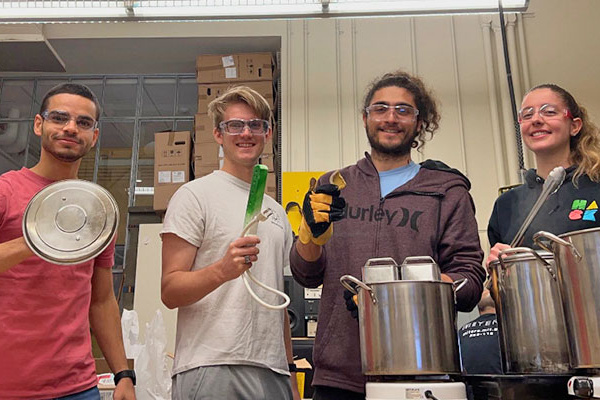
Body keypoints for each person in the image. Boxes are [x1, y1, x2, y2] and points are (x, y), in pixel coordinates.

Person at [290, 70, 486, 399]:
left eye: (403, 109)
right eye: (380, 108)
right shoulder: (334, 185)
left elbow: (469, 278)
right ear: (365, 118)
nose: (390, 118)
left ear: (420, 122)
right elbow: (306, 275)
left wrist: (396, 301)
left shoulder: (446, 191)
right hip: (338, 375)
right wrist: (309, 235)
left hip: (424, 370)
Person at [160, 86, 299, 400]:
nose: (245, 133)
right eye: (234, 125)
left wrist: (289, 371)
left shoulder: (276, 212)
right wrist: (221, 270)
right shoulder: (194, 196)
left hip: (272, 370)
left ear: (267, 133)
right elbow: (170, 291)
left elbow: (276, 301)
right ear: (219, 135)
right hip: (211, 366)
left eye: (255, 125)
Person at [0, 83, 136, 400]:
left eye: (83, 123)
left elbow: (101, 300)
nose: (71, 128)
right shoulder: (6, 191)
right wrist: (37, 238)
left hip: (77, 387)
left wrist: (123, 375)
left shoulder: (97, 211)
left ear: (94, 136)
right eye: (60, 118)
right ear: (39, 124)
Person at [487, 83, 600, 262]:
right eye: (527, 114)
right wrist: (496, 267)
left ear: (574, 126)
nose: (536, 120)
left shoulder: (595, 186)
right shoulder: (506, 205)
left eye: (549, 112)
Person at [459, 289, 502, 375]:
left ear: (478, 308)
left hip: (468, 386)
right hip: (504, 386)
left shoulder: (462, 331)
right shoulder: (508, 330)